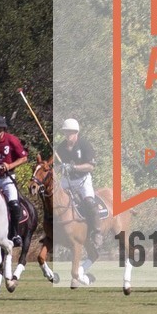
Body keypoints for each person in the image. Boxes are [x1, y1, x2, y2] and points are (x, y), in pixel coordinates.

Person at [54, 118, 103, 275]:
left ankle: (97, 232)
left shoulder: (84, 145)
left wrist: (73, 166)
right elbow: (54, 165)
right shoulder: (61, 148)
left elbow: (91, 166)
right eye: (65, 132)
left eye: (70, 132)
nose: (67, 135)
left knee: (89, 202)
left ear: (76, 133)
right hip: (67, 180)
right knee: (55, 200)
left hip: (82, 180)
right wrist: (60, 167)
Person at [0, 114, 30, 248]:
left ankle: (15, 234)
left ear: (4, 128)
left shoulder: (12, 140)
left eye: (0, 128)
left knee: (14, 205)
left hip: (8, 178)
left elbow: (24, 158)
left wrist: (9, 166)